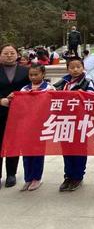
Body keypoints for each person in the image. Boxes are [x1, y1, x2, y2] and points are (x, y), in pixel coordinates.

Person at [53, 56, 94, 191]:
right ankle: (68, 176)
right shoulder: (61, 83)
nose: (75, 70)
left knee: (79, 148)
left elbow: (91, 97)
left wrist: (82, 94)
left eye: (78, 67)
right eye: (72, 67)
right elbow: (51, 96)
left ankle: (78, 176)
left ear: (83, 68)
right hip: (64, 120)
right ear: (67, 69)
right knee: (66, 149)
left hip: (80, 120)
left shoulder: (88, 82)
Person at [17, 63, 55, 191]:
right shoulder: (24, 89)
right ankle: (28, 178)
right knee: (26, 153)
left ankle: (37, 178)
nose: (33, 77)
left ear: (43, 74)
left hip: (41, 125)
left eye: (36, 74)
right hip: (26, 126)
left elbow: (53, 105)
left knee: (38, 152)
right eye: (31, 75)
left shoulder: (49, 88)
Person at [0, 44, 30, 188]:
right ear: (1, 55)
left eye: (12, 53)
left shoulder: (26, 71)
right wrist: (1, 100)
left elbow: (32, 89)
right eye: (6, 53)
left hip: (19, 113)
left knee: (13, 142)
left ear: (17, 55)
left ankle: (11, 174)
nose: (9, 55)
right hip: (1, 109)